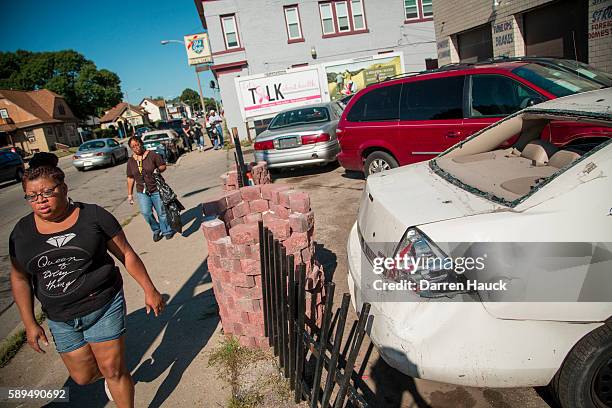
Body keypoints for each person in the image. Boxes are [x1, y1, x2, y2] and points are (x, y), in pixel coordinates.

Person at [9, 153, 165, 407]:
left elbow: (126, 254)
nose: (40, 201)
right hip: (60, 316)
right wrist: (29, 323)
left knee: (113, 369)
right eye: (32, 196)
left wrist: (150, 289)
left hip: (103, 304)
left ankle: (118, 382)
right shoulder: (21, 233)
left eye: (47, 192)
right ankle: (112, 379)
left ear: (64, 188)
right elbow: (19, 278)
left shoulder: (93, 216)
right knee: (82, 378)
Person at [126, 136, 175, 241]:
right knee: (146, 212)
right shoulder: (131, 161)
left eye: (137, 144)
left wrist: (157, 170)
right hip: (142, 191)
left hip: (156, 188)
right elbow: (130, 178)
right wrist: (129, 194)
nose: (136, 148)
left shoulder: (152, 155)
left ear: (141, 143)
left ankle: (167, 230)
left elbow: (163, 166)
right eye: (133, 147)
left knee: (161, 212)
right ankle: (156, 230)